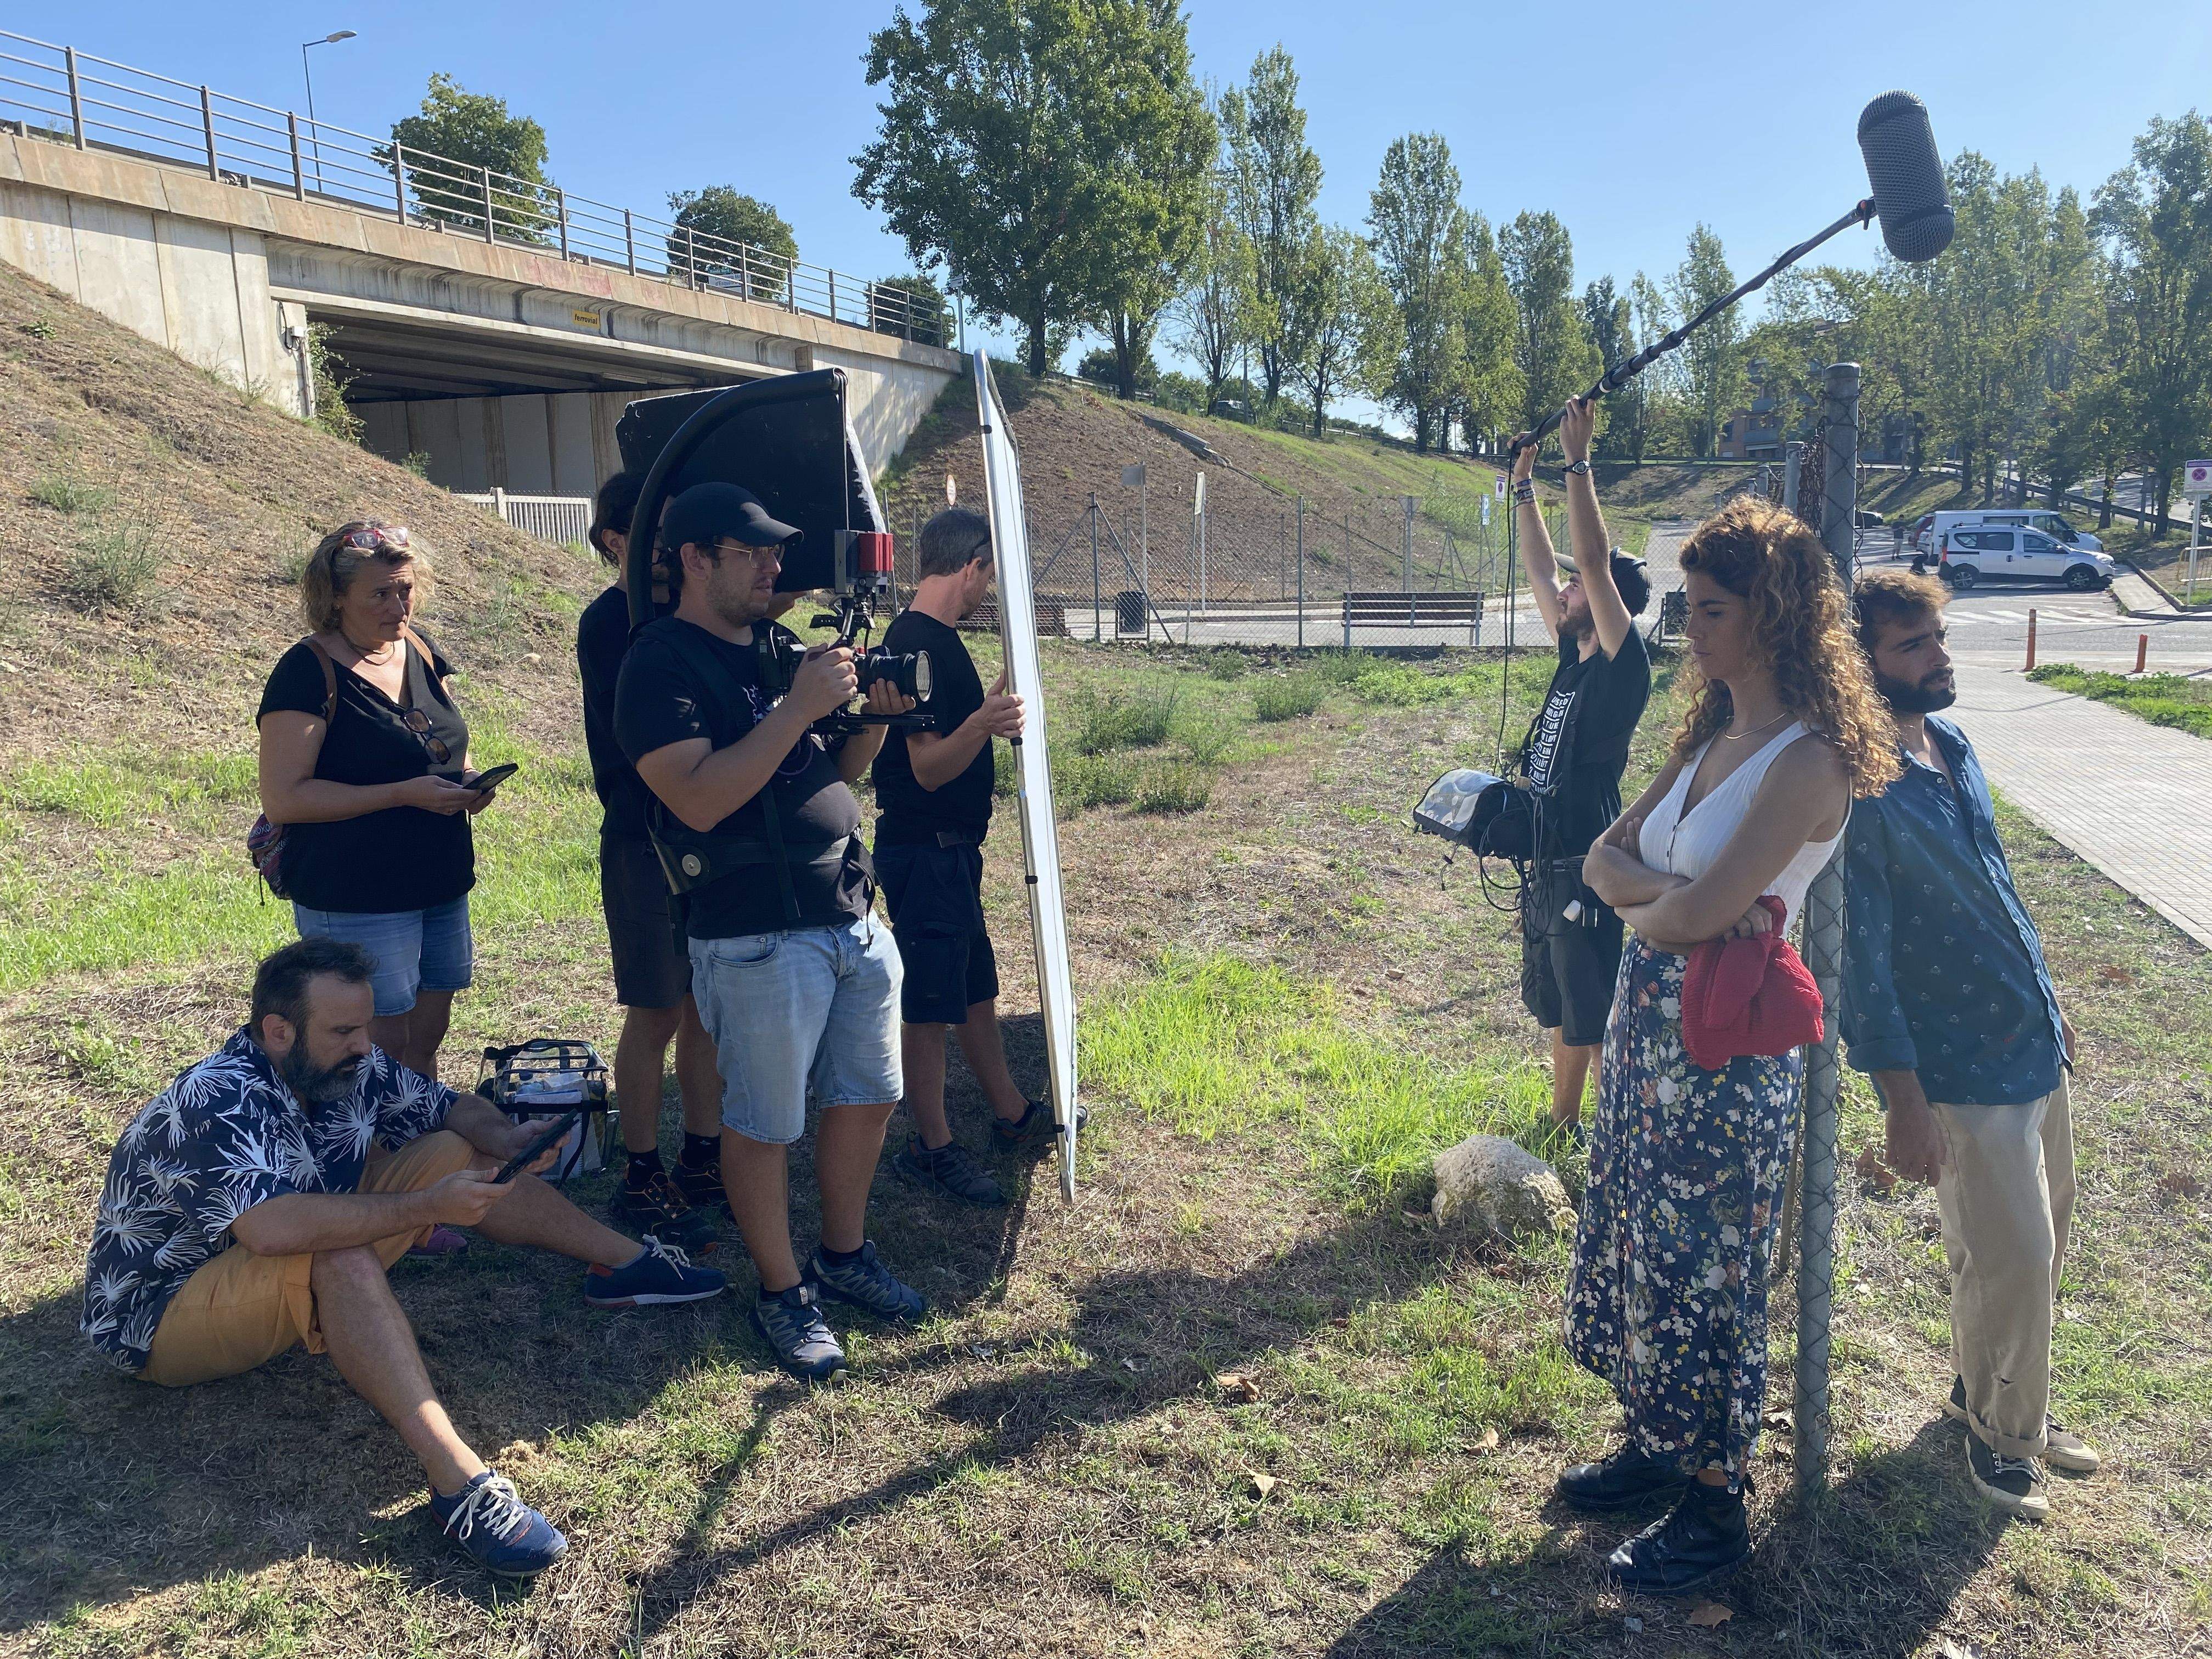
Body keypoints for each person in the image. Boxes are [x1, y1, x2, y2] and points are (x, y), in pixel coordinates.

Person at [80, 939, 725, 1578]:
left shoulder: (344, 1062)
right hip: (161, 1319)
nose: (365, 1045)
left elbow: (451, 1110)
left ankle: (626, 1264)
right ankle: (459, 1485)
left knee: (454, 1150)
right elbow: (272, 1230)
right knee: (340, 1256)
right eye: (343, 1031)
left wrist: (504, 1137)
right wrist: (425, 1208)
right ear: (278, 1031)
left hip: (258, 1270)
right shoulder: (214, 1098)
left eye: (364, 1026)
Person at [1567, 496, 1900, 1594]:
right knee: (1641, 1234)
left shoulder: (1808, 763)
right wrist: (1665, 901)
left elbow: (1693, 912)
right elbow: (1604, 860)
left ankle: (1714, 1503)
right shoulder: (1711, 735)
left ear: (1774, 617)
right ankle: (1654, 1440)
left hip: (1721, 1053)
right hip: (1648, 1031)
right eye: (1689, 605)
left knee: (1707, 1267)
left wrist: (1658, 901)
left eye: (1711, 609)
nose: (1689, 627)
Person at [616, 482, 921, 1383]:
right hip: (754, 931)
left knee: (870, 1095)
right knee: (764, 1123)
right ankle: (784, 1292)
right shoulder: (657, 664)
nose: (773, 568)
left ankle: (843, 1253)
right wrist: (794, 708)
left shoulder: (775, 648)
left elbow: (830, 771)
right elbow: (698, 797)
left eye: (776, 553)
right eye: (752, 553)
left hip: (849, 910)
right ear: (695, 559)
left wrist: (869, 717)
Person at [1843, 569, 2097, 1520]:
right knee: (2011, 1255)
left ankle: (1989, 1392)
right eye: (1911, 645)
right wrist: (1901, 1097)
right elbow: (1862, 962)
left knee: (2038, 1238)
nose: (1939, 657)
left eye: (1937, 637)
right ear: (1860, 663)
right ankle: (2002, 1436)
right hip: (1956, 1060)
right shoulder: (1860, 789)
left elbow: (1996, 884)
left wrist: (2048, 994)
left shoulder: (1950, 743)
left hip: (2027, 1037)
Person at [257, 521, 492, 1084]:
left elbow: (447, 741)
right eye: (380, 594)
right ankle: (368, 1140)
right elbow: (284, 798)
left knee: (425, 1037)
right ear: (336, 597)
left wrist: (469, 781)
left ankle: (421, 1130)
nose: (398, 606)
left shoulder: (419, 648)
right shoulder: (306, 671)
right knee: (374, 1047)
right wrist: (400, 795)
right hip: (357, 892)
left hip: (440, 879)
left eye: (405, 589)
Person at [871, 508, 1056, 1207]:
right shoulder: (912, 644)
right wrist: (982, 721)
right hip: (924, 854)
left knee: (976, 989)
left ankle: (1011, 1115)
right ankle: (930, 1146)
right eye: (990, 576)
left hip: (951, 856)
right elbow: (927, 769)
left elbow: (957, 733)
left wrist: (995, 699)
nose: (988, 590)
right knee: (928, 1005)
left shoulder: (939, 642)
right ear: (972, 565)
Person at [575, 471, 720, 1254]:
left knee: (707, 1009)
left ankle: (703, 1155)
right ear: (615, 541)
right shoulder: (610, 622)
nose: (673, 546)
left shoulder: (690, 612)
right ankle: (641, 1170)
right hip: (643, 839)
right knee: (656, 1011)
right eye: (657, 532)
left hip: (708, 834)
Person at [1508, 398, 1654, 1138]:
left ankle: (1588, 1130)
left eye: (1576, 590)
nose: (1562, 591)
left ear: (1604, 602)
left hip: (1586, 860)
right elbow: (1543, 567)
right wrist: (1521, 484)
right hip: (1549, 856)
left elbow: (1591, 563)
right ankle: (1573, 1124)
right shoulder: (1575, 651)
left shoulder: (1623, 669)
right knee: (1562, 1001)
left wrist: (1578, 461)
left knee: (1589, 1004)